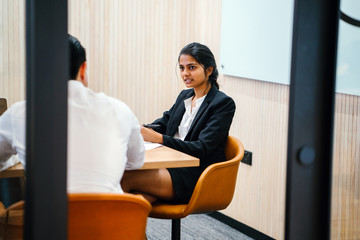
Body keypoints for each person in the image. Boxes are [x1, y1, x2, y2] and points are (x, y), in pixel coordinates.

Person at [0, 35, 145, 193]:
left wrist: (16, 157)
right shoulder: (120, 110)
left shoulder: (20, 113)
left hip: (48, 217)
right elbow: (136, 162)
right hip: (110, 215)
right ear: (83, 69)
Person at [121, 42, 236, 204]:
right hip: (171, 166)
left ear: (209, 70)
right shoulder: (185, 96)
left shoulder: (222, 103)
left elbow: (201, 148)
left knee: (126, 177)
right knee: (134, 201)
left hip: (195, 175)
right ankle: (128, 229)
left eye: (192, 67)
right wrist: (139, 129)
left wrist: (159, 138)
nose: (185, 74)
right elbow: (163, 123)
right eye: (181, 68)